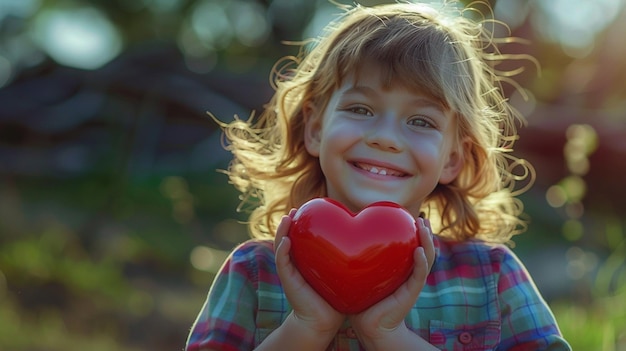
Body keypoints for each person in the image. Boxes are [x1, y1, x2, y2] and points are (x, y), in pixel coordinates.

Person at [186, 1, 571, 350]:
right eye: (360, 109)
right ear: (316, 129)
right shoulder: (253, 273)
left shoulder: (491, 276)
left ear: (453, 158)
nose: (386, 138)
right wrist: (306, 329)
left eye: (420, 121)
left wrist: (390, 338)